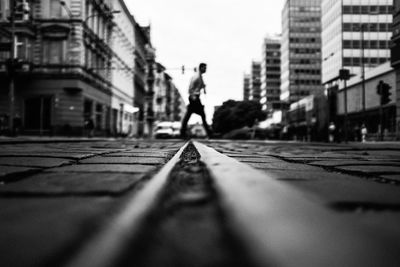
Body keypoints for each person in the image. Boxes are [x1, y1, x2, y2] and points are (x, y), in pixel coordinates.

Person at [180, 62, 212, 138]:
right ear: (201, 68)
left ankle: (183, 133)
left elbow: (201, 85)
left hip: (195, 97)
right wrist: (192, 96)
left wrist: (204, 88)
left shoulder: (200, 76)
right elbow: (190, 87)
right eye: (204, 68)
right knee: (201, 115)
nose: (205, 69)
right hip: (194, 98)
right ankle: (209, 133)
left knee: (189, 115)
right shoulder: (196, 76)